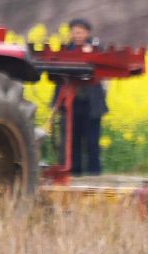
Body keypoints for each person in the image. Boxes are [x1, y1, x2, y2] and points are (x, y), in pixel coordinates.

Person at [55, 19, 110, 177]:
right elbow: (59, 76)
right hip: (73, 102)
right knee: (73, 139)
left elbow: (105, 72)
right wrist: (57, 102)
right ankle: (75, 172)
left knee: (92, 141)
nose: (77, 35)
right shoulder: (66, 49)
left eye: (80, 32)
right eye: (74, 32)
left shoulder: (97, 48)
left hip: (92, 103)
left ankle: (94, 172)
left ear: (87, 33)